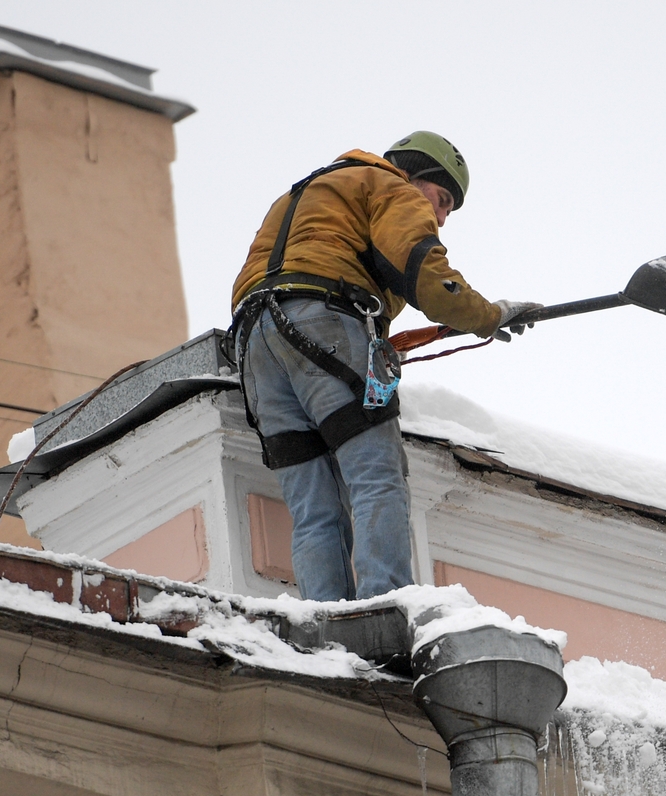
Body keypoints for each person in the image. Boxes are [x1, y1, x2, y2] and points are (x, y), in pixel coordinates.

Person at [230, 132, 539, 601]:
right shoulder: (390, 186)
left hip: (255, 345)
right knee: (376, 476)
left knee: (314, 508)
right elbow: (425, 276)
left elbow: (311, 279)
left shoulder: (307, 194)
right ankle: (386, 608)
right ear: (413, 176)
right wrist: (488, 315)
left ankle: (327, 624)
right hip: (325, 321)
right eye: (441, 199)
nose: (439, 217)